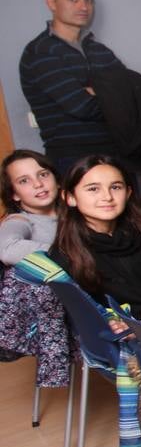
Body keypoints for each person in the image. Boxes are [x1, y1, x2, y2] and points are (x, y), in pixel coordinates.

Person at [49, 155, 141, 321]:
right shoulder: (66, 254)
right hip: (115, 339)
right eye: (93, 189)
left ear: (128, 192)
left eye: (116, 187)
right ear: (70, 197)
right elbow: (81, 319)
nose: (107, 197)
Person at [19, 0, 126, 171]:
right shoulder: (40, 52)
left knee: (129, 203)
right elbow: (83, 107)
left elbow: (132, 97)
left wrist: (94, 91)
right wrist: (108, 93)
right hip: (72, 159)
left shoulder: (99, 50)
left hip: (118, 154)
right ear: (51, 3)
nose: (84, 6)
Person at [0, 150, 75, 387]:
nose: (38, 184)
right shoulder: (20, 220)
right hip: (70, 312)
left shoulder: (76, 211)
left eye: (43, 174)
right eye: (24, 181)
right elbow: (7, 248)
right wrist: (72, 254)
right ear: (15, 194)